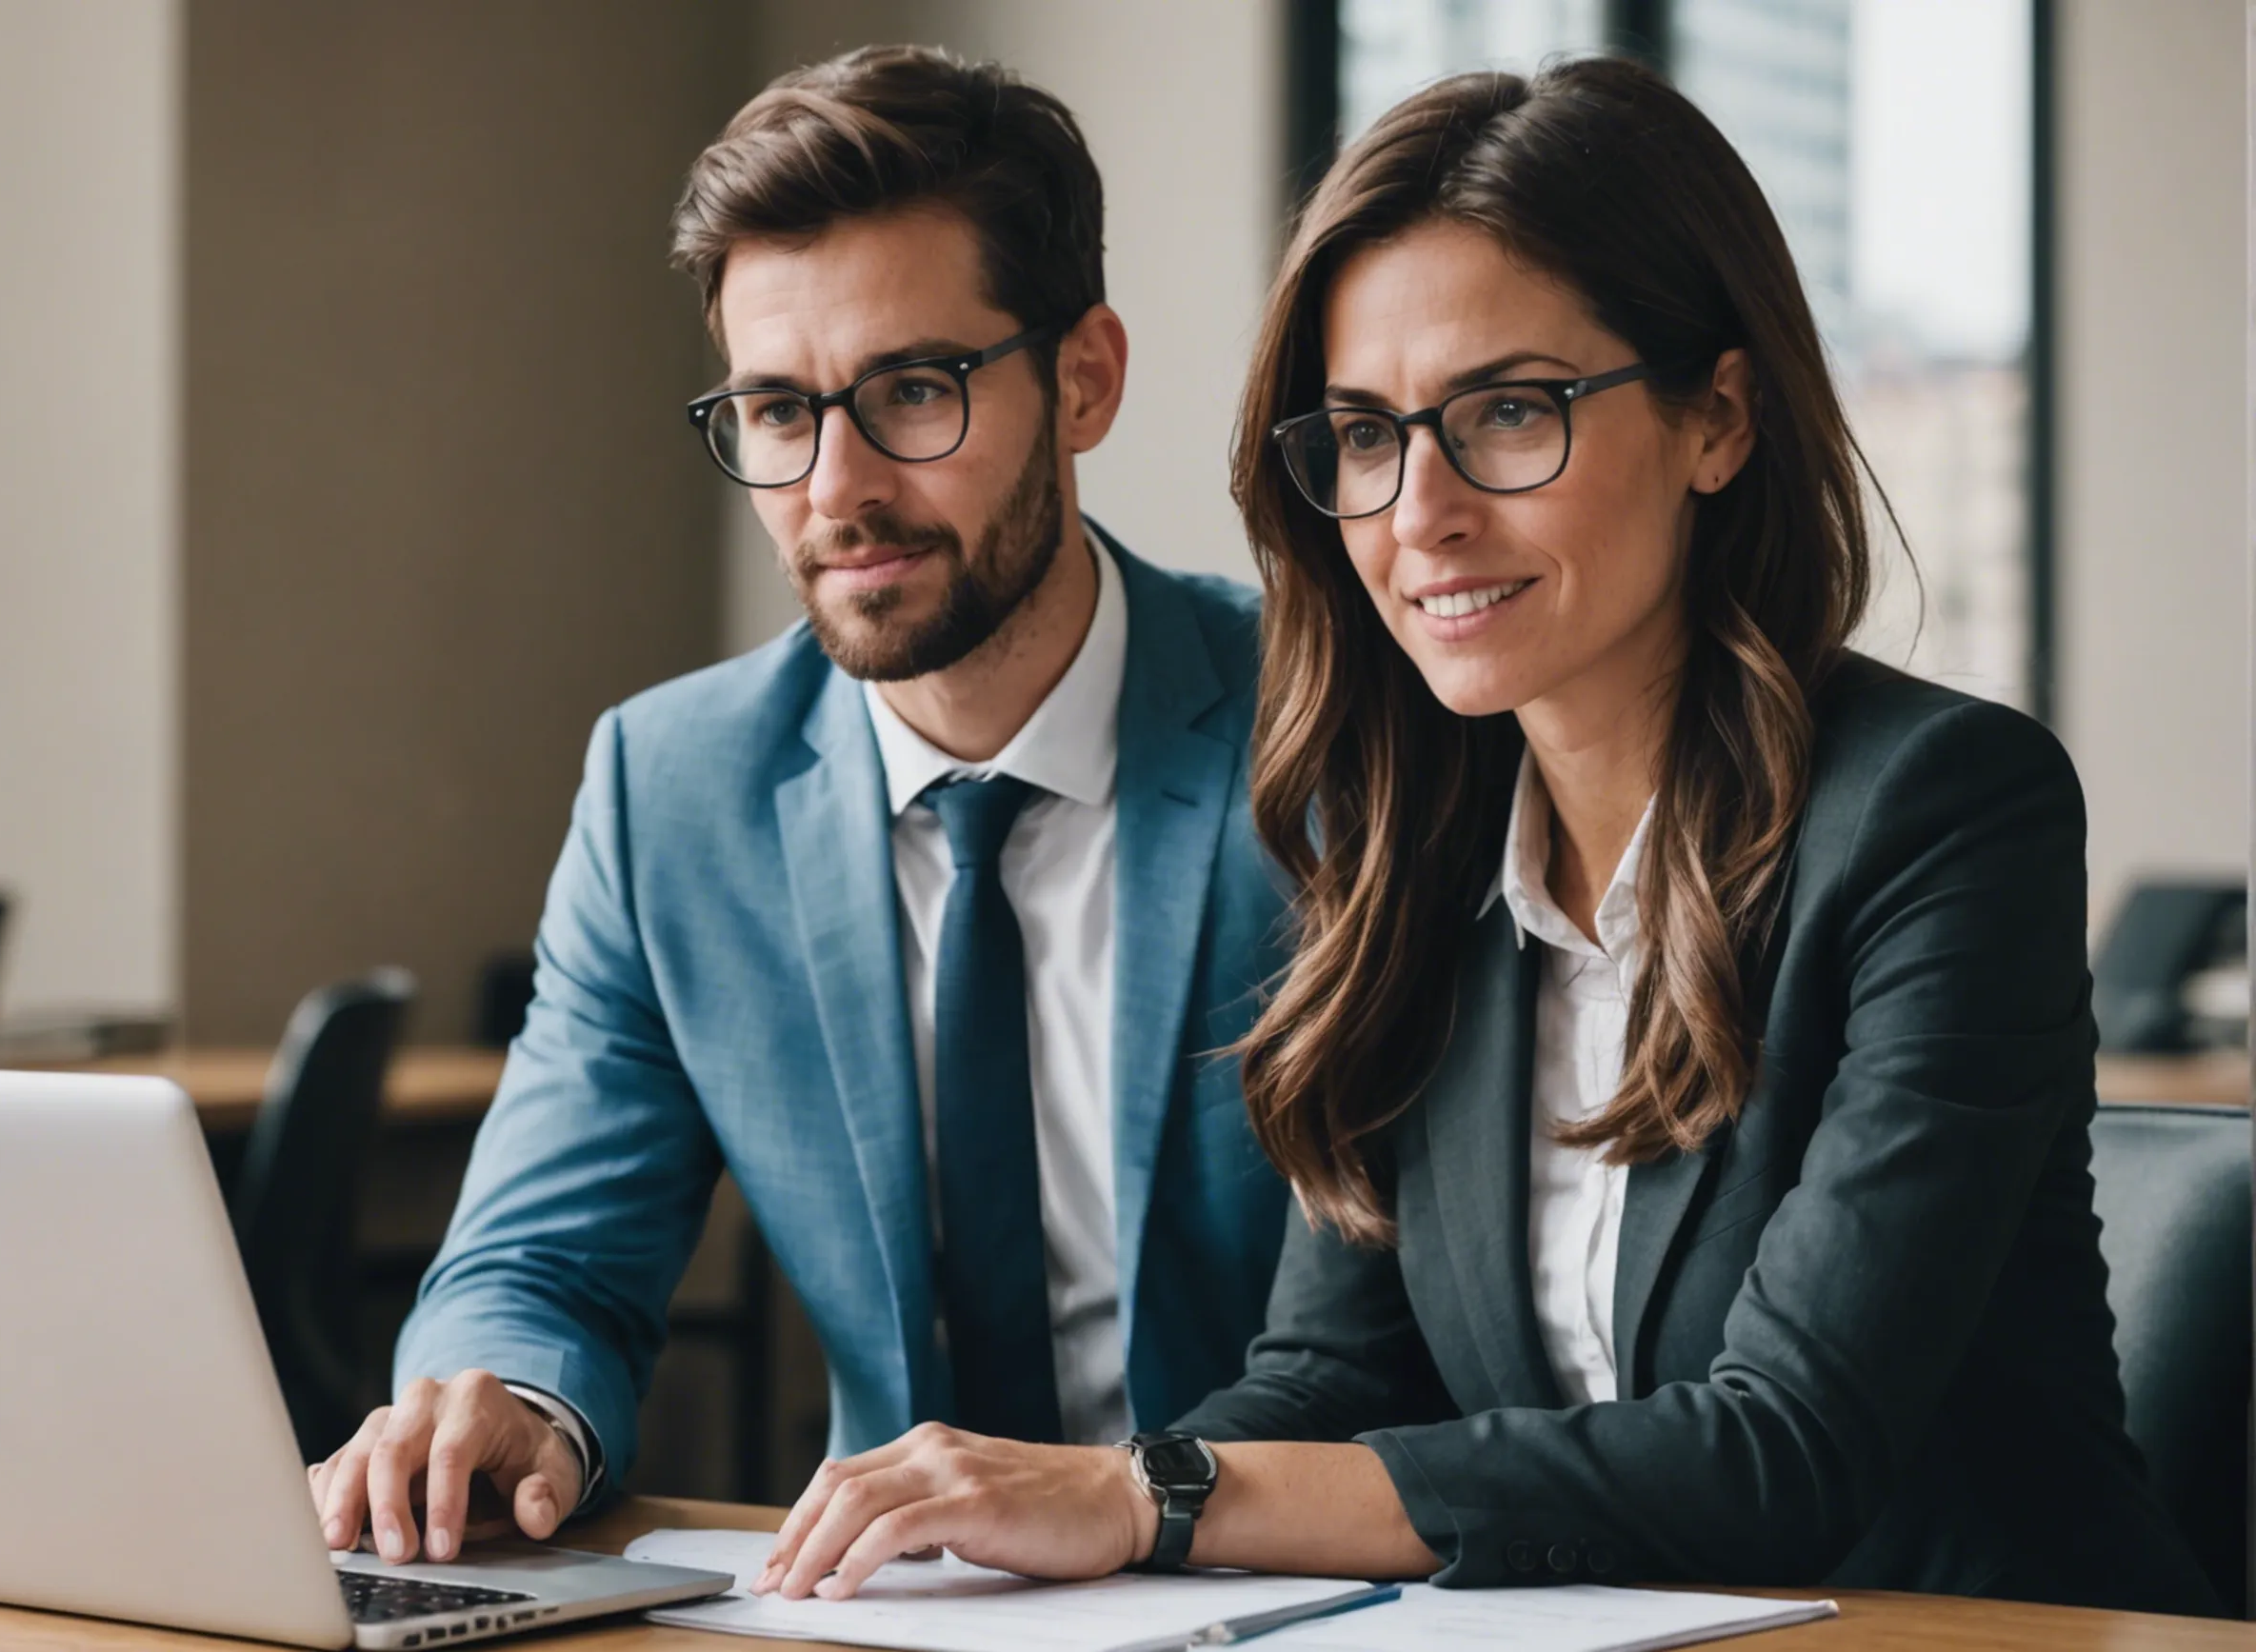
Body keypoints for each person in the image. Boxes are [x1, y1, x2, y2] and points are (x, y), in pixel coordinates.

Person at [749, 55, 2221, 1617]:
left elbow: (1781, 1455)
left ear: (1718, 417)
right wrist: (1035, 1549)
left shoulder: (1943, 810)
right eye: (1368, 435)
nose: (1419, 512)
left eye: (1509, 413)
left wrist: (1141, 1491)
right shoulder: (1413, 853)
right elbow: (1326, 1382)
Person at [311, 46, 1297, 1567]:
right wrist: (507, 1400)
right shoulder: (674, 786)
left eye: (913, 389)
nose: (835, 486)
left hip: (1297, 1588)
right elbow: (546, 1254)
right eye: (777, 410)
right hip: (885, 1599)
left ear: (1084, 377)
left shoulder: (1320, 727)